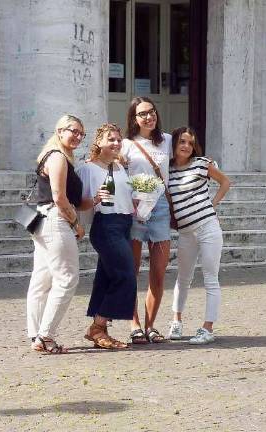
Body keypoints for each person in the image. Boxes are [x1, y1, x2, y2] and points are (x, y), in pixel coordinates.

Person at [165, 127, 230, 344]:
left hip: (207, 227)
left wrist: (212, 204)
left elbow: (225, 182)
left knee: (210, 277)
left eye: (190, 143)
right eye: (182, 141)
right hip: (185, 232)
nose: (186, 146)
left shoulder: (202, 163)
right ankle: (176, 321)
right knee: (183, 277)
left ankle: (207, 328)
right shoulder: (168, 169)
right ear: (174, 143)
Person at [27, 115, 86, 354]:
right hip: (55, 220)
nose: (78, 137)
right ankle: (46, 335)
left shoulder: (51, 156)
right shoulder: (58, 157)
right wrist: (75, 224)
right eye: (73, 131)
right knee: (67, 278)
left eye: (82, 133)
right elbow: (59, 197)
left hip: (42, 220)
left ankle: (36, 334)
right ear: (59, 130)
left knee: (41, 280)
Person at [77, 123, 135, 349]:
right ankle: (98, 326)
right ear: (99, 142)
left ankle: (99, 331)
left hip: (124, 224)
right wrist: (81, 223)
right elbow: (78, 203)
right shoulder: (88, 169)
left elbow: (125, 196)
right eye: (110, 139)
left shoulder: (121, 167)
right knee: (126, 275)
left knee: (107, 277)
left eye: (119, 139)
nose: (116, 143)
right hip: (105, 225)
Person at [121, 96, 173, 344]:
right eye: (143, 114)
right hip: (135, 207)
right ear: (134, 118)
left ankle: (151, 324)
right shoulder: (126, 144)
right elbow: (115, 172)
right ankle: (134, 324)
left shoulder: (167, 141)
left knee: (158, 272)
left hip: (160, 206)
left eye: (151, 112)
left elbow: (181, 164)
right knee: (132, 270)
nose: (149, 117)